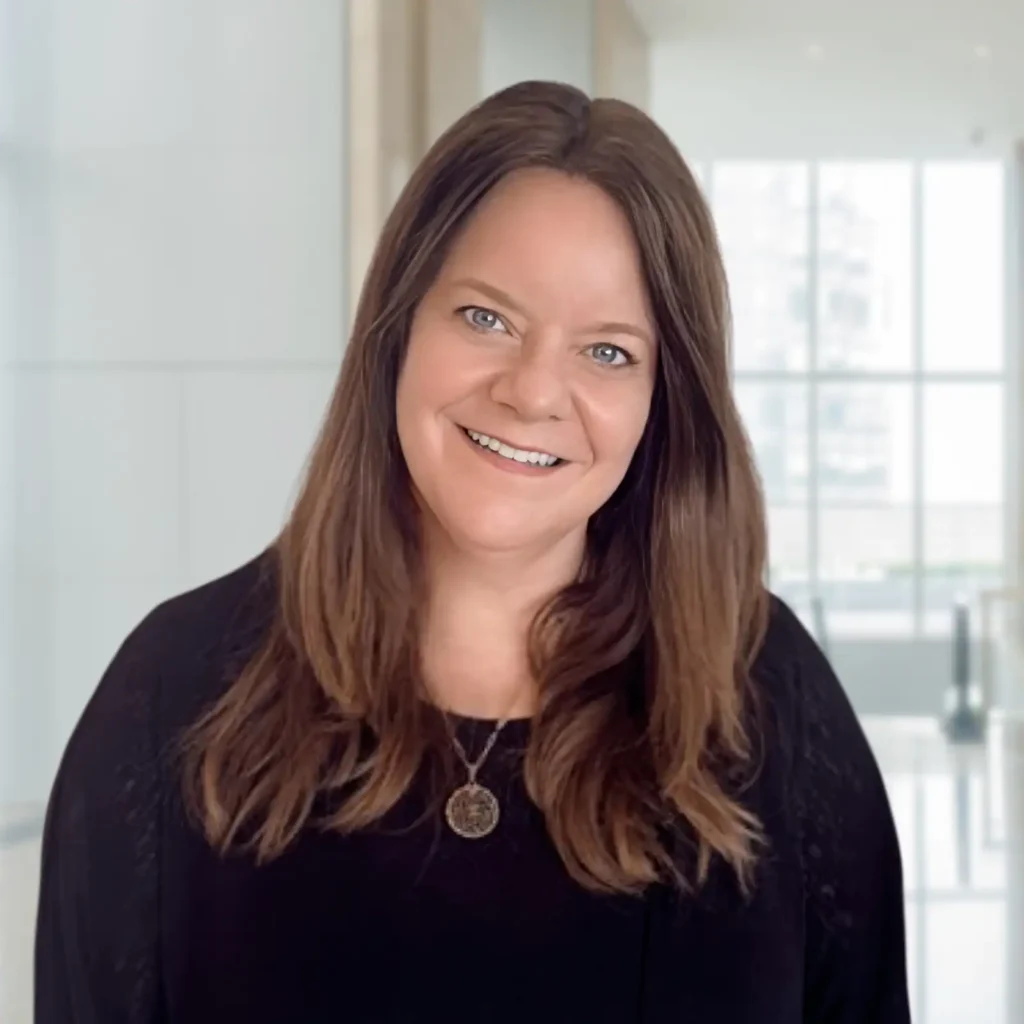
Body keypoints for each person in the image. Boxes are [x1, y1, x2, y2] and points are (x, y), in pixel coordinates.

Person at [35, 80, 910, 1023]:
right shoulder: (175, 692)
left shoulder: (769, 704)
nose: (534, 392)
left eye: (608, 352)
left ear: (666, 403)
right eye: (486, 317)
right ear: (399, 327)